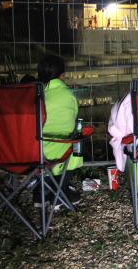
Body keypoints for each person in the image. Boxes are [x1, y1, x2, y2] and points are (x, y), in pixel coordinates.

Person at [33, 54, 83, 209]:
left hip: (33, 153)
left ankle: (42, 193)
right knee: (76, 141)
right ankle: (60, 190)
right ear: (62, 75)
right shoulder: (68, 95)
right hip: (61, 152)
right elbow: (73, 119)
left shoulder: (34, 95)